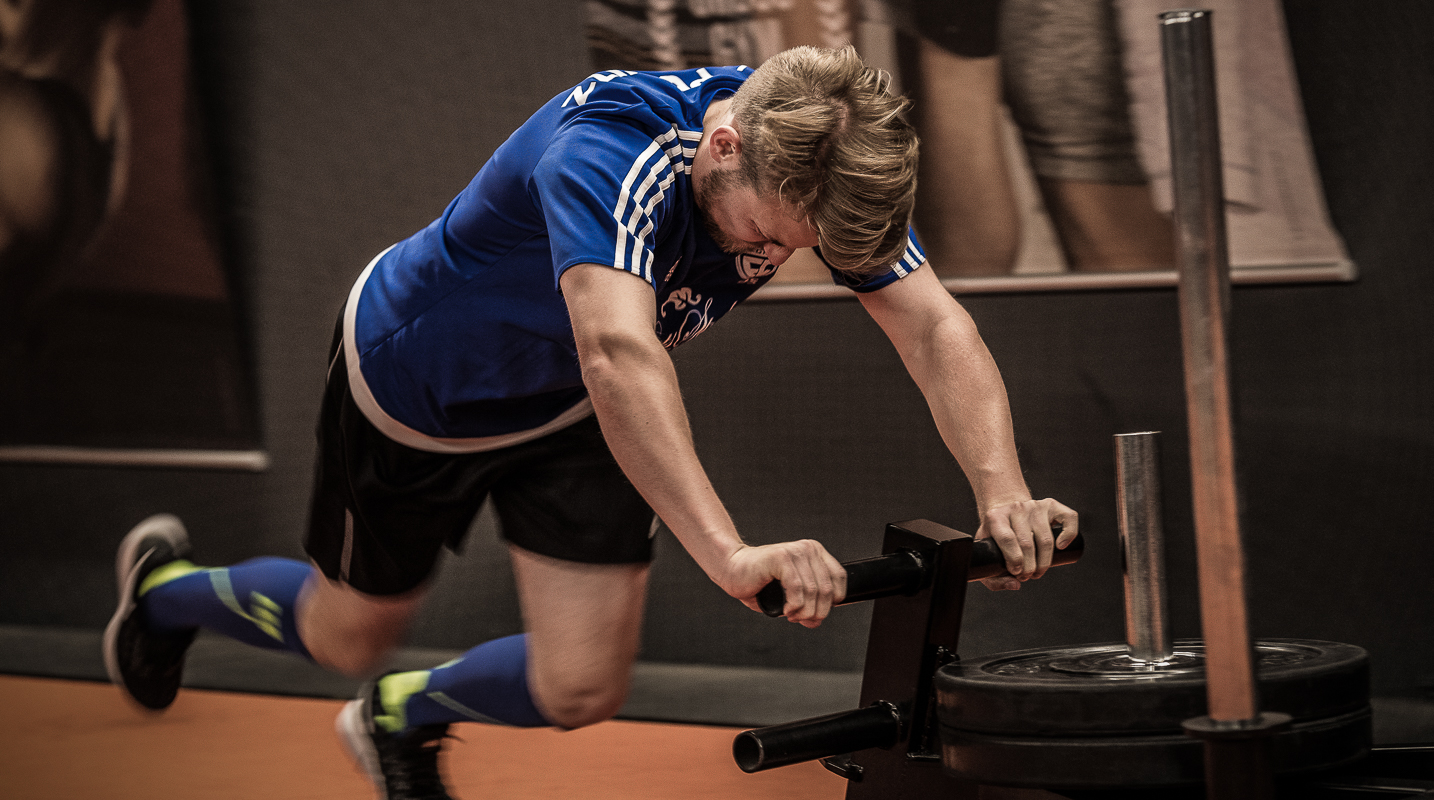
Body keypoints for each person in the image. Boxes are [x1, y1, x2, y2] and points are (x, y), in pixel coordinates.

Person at [104, 45, 1077, 800]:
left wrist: (1000, 487)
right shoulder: (613, 148)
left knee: (579, 687)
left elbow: (935, 324)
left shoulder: (823, 149)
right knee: (343, 633)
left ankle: (401, 713)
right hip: (417, 392)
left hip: (576, 404)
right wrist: (732, 553)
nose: (781, 257)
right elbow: (618, 352)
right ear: (724, 142)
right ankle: (166, 593)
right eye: (770, 239)